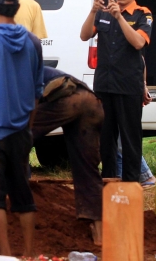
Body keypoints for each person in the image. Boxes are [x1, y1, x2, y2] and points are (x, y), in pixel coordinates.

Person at [0, 0, 43, 257]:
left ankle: (4, 255)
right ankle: (29, 255)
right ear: (17, 8)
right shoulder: (33, 42)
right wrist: (27, 127)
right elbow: (37, 91)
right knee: (22, 195)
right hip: (21, 132)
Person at [80, 0, 152, 182]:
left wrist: (120, 17)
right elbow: (84, 36)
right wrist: (93, 11)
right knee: (106, 136)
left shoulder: (142, 14)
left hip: (128, 85)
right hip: (104, 84)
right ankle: (109, 180)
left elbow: (138, 42)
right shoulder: (102, 12)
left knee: (130, 137)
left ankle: (131, 182)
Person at [32, 66, 103, 245]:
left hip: (65, 99)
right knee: (87, 168)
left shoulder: (1, 71)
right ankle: (99, 231)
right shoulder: (32, 65)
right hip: (90, 101)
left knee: (16, 141)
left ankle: (17, 202)